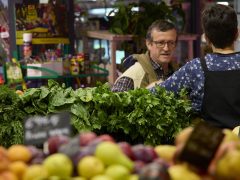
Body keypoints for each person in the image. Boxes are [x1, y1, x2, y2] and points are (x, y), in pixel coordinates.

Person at [149, 4, 240, 129]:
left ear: (206, 38)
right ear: (237, 34)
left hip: (209, 144)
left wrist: (154, 85)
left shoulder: (196, 68)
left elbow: (156, 94)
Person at [111, 19, 178, 92]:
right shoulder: (132, 76)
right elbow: (113, 102)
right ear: (148, 44)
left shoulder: (178, 71)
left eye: (171, 43)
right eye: (160, 43)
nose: (166, 48)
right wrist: (146, 94)